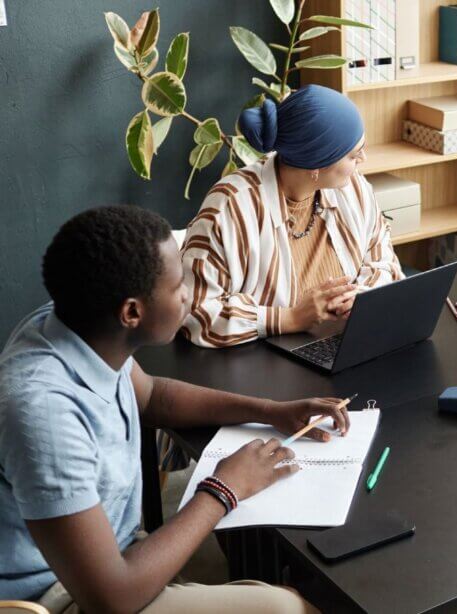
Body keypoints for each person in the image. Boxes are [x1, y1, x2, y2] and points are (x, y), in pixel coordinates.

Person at [0, 206, 350, 612]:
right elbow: (110, 599)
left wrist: (271, 410)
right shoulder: (44, 415)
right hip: (58, 595)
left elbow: (150, 397)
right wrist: (223, 489)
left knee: (283, 593)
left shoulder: (75, 325)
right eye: (179, 284)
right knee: (287, 609)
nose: (189, 294)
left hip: (110, 558)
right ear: (131, 312)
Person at [181, 84, 403, 348]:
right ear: (315, 167)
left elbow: (385, 262)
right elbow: (197, 311)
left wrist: (361, 296)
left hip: (341, 344)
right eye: (353, 155)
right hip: (261, 359)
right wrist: (290, 318)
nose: (363, 159)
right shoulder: (230, 207)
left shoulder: (353, 188)